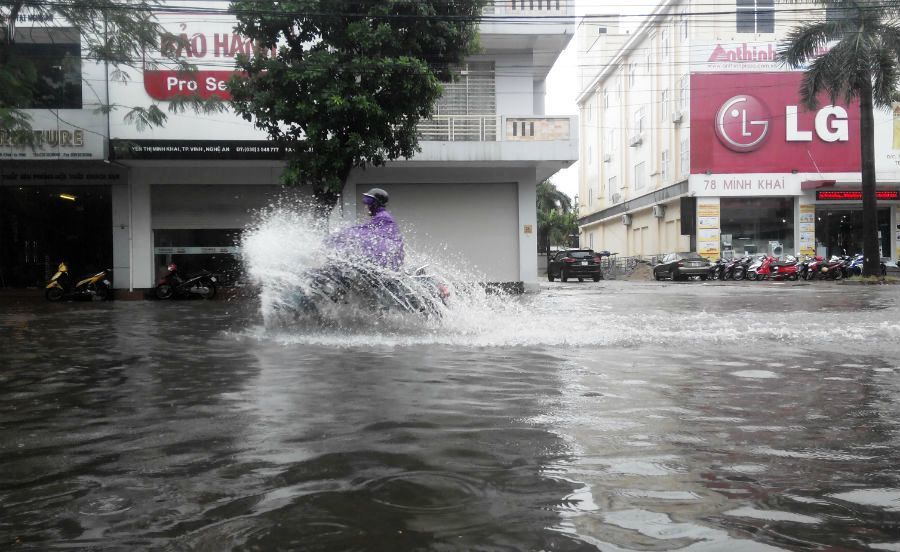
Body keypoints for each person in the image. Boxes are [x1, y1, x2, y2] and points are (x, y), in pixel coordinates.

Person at [325, 188, 405, 271]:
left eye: (368, 203)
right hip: (386, 262)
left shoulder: (383, 217)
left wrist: (338, 236)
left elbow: (364, 232)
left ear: (375, 204)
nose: (365, 206)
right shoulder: (380, 216)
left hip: (386, 264)